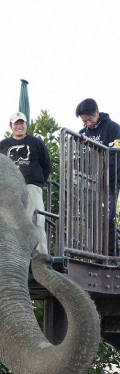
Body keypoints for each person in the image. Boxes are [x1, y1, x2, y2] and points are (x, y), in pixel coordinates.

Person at [0, 112, 52, 254]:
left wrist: (38, 182)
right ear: (10, 126)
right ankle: (12, 257)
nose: (19, 126)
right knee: (8, 224)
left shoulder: (36, 143)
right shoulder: (3, 145)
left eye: (22, 123)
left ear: (26, 124)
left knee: (37, 221)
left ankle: (41, 259)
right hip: (9, 189)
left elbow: (47, 165)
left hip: (32, 187)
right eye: (16, 123)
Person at [76, 98, 120, 262]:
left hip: (110, 182)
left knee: (106, 218)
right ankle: (95, 255)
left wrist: (104, 177)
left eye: (90, 119)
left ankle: (112, 256)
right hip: (89, 183)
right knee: (91, 218)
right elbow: (79, 158)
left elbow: (116, 156)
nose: (88, 124)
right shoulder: (83, 133)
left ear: (97, 112)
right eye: (84, 121)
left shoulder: (114, 128)